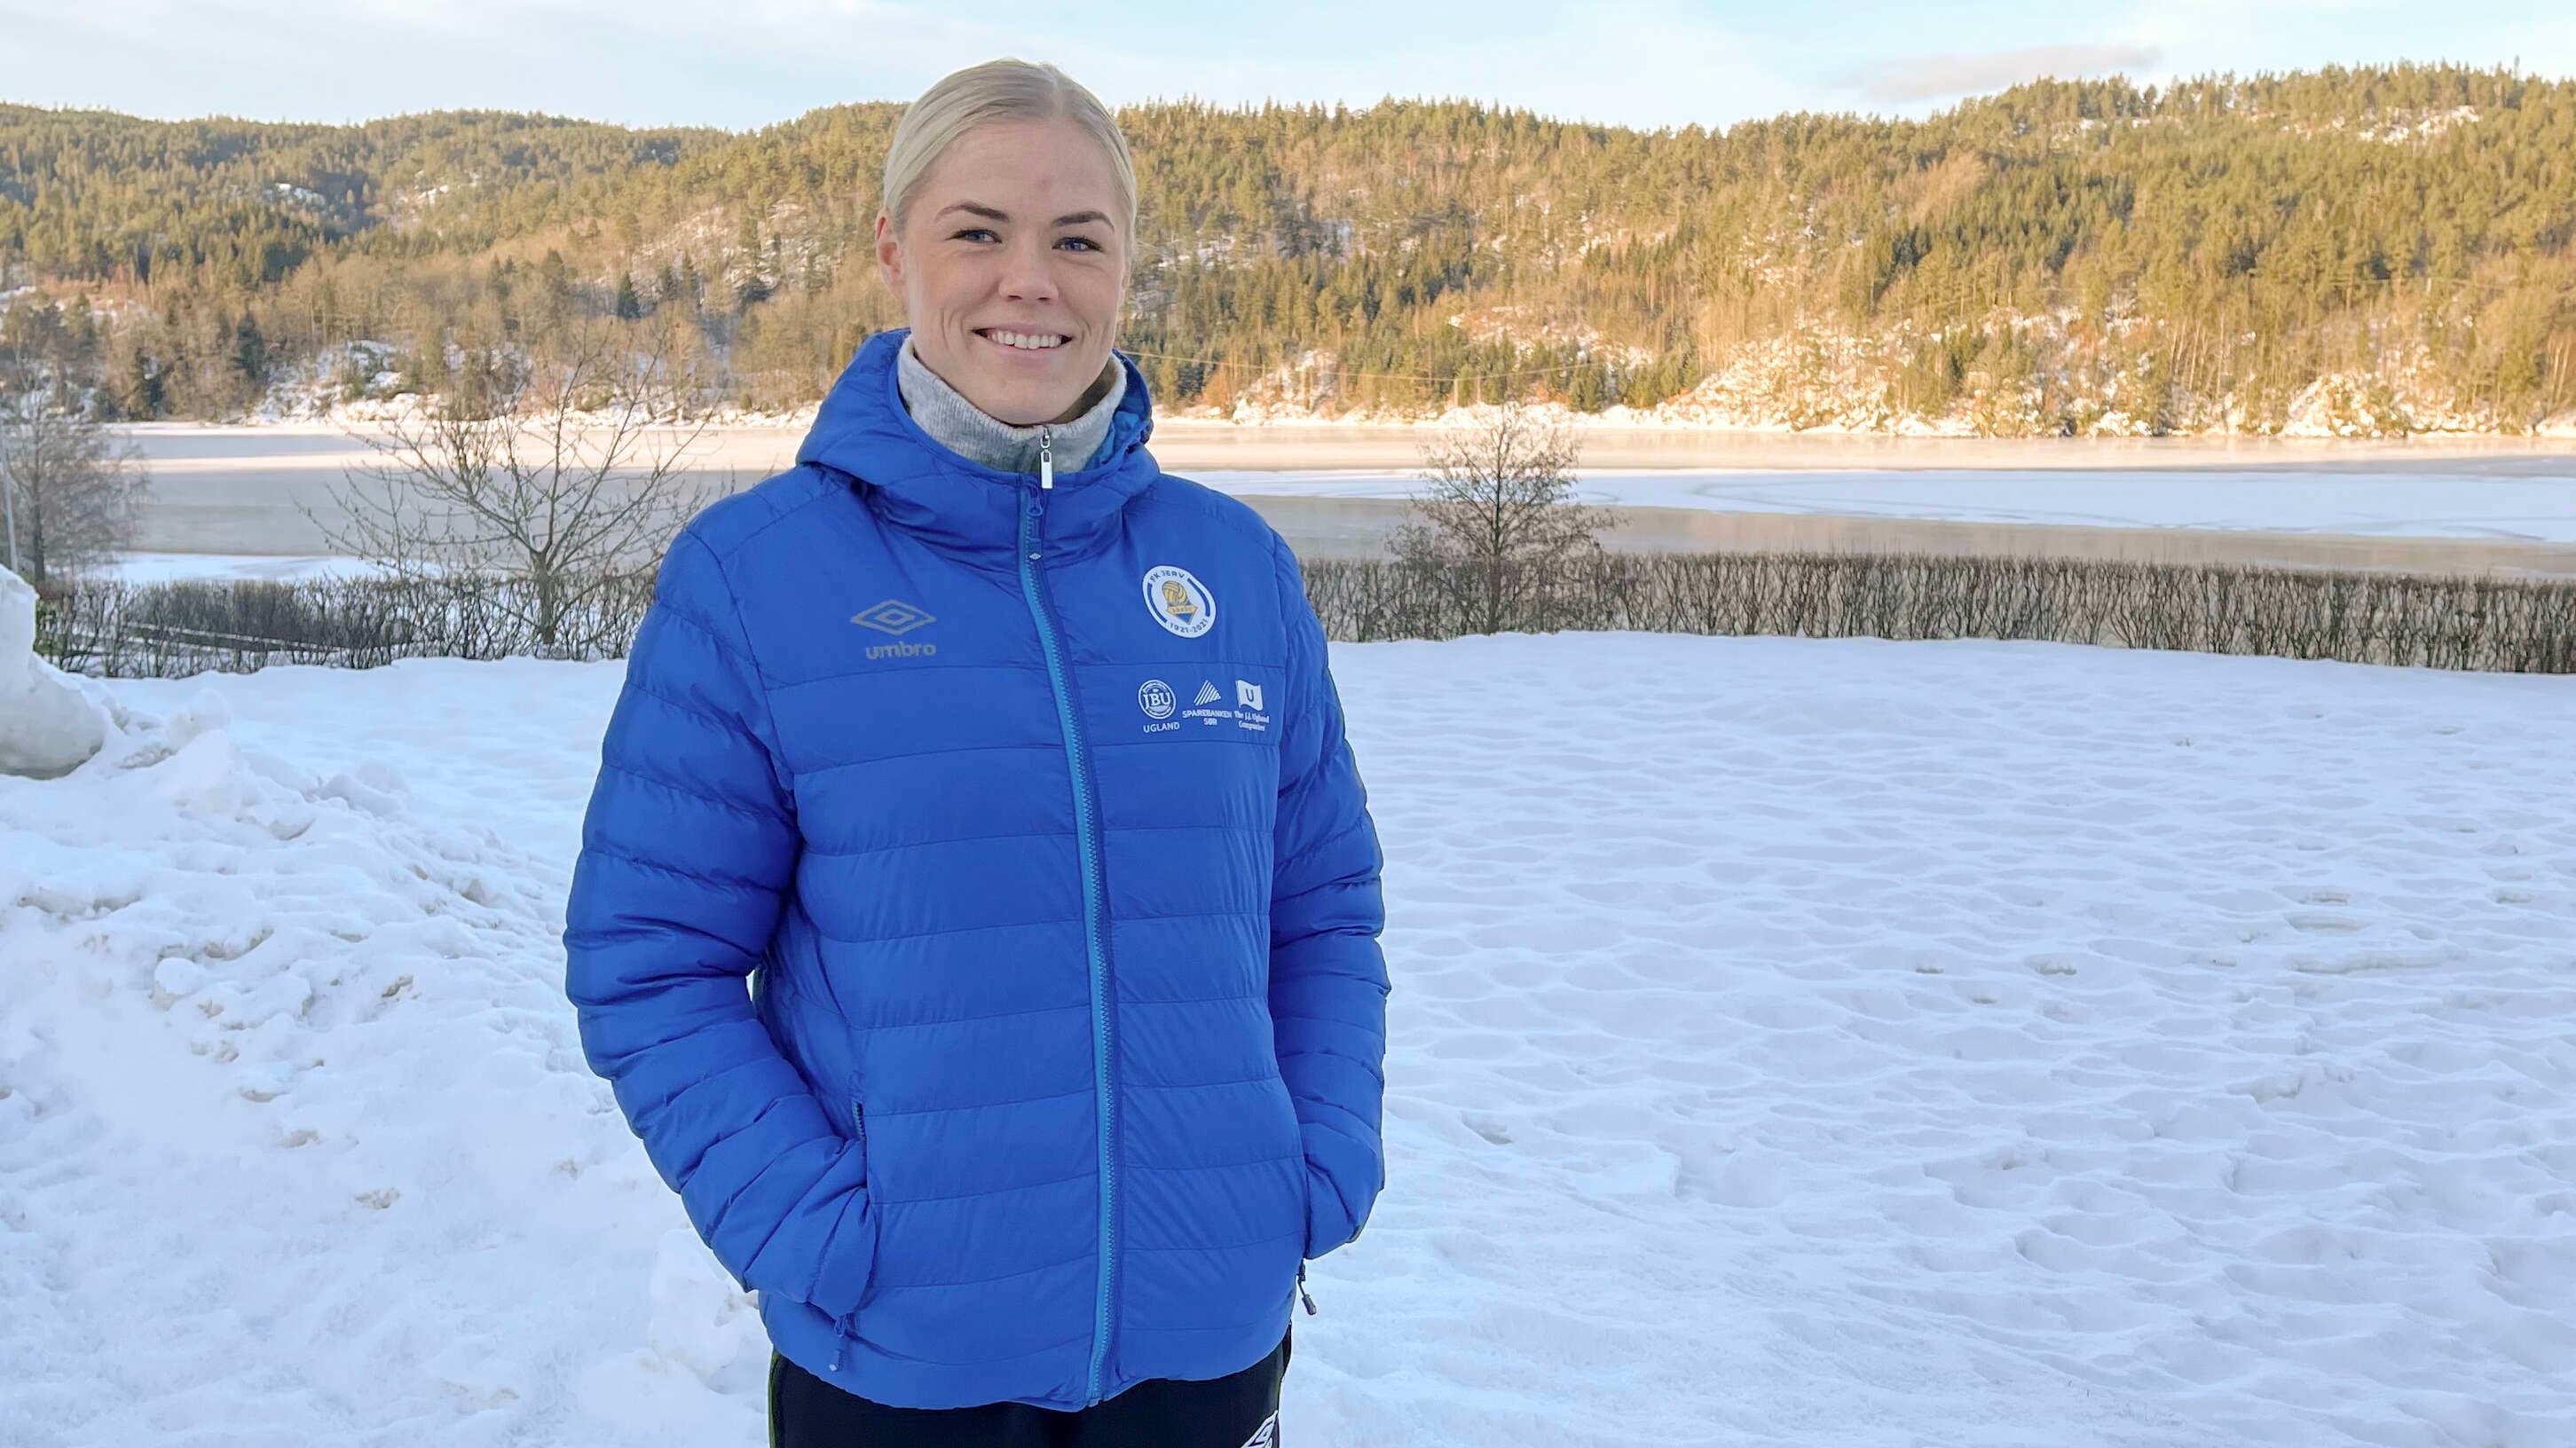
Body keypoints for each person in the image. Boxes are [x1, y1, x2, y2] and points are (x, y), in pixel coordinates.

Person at [562, 57, 1390, 1447]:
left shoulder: (1233, 570)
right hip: (903, 1364)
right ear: (896, 249)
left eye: (1079, 240)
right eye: (978, 231)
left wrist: (1306, 1170)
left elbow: (1322, 913)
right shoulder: (759, 578)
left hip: (1208, 1342)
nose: (1030, 281)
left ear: (1126, 266)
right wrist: (818, 1233)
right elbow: (650, 965)